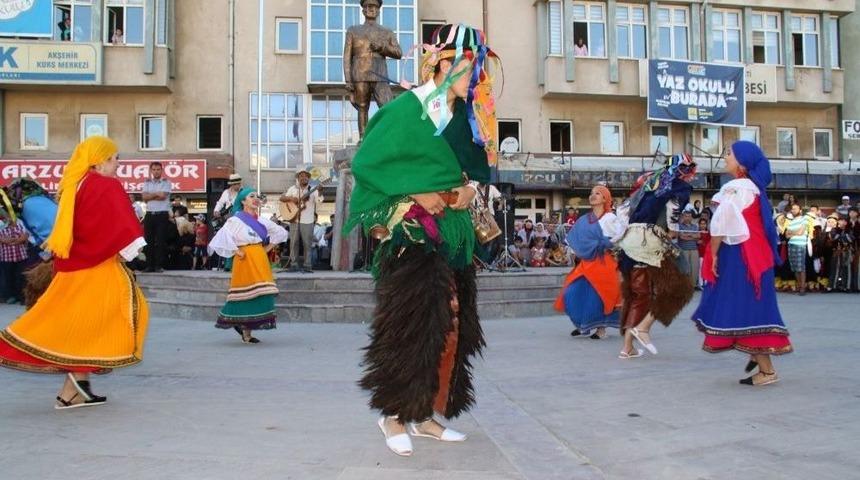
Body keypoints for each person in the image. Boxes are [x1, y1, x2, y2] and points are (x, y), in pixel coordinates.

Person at [344, 23, 499, 456]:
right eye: (469, 67)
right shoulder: (403, 110)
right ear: (441, 64)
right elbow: (369, 164)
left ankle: (425, 413)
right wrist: (416, 191)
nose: (476, 77)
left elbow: (474, 175)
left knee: (450, 324)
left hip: (453, 233)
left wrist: (469, 190)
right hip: (411, 232)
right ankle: (393, 414)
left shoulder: (466, 120)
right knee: (410, 324)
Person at [0, 136, 149, 409]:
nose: (117, 165)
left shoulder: (75, 184)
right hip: (97, 267)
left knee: (82, 323)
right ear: (100, 161)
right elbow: (122, 223)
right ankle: (74, 389)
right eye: (115, 159)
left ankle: (75, 391)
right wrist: (134, 249)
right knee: (116, 315)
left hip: (74, 266)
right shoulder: (106, 185)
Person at [693, 141, 792, 386]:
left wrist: (713, 253)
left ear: (743, 163)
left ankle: (767, 370)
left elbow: (721, 224)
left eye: (729, 154)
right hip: (756, 257)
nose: (725, 157)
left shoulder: (736, 187)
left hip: (741, 257)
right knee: (749, 306)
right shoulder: (754, 188)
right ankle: (758, 359)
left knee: (743, 309)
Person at [615, 153, 697, 359]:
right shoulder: (679, 185)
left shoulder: (650, 182)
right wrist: (672, 230)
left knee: (638, 294)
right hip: (650, 240)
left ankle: (628, 347)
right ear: (683, 169)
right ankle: (643, 328)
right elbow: (673, 206)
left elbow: (622, 210)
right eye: (691, 169)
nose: (692, 175)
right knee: (682, 287)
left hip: (631, 241)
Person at [208, 188, 287, 344]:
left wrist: (268, 247)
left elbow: (281, 233)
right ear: (243, 201)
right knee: (245, 294)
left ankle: (247, 331)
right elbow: (220, 238)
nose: (255, 199)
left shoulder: (262, 221)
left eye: (257, 196)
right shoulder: (235, 220)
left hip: (260, 258)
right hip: (244, 260)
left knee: (261, 293)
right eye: (251, 196)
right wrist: (236, 250)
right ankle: (245, 331)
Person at [555, 185, 623, 340]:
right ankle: (582, 324)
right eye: (591, 193)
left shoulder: (611, 218)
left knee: (599, 296)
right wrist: (569, 253)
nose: (593, 195)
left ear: (605, 198)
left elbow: (621, 237)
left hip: (604, 261)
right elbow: (574, 239)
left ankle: (600, 330)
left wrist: (608, 244)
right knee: (571, 291)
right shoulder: (584, 219)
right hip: (586, 262)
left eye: (597, 193)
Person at [281, 170, 323, 272]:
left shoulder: (313, 189)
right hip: (294, 219)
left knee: (307, 243)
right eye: (301, 176)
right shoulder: (293, 188)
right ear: (298, 178)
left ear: (309, 178)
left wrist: (320, 191)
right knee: (293, 242)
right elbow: (282, 198)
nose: (303, 178)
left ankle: (307, 265)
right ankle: (294, 264)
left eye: (306, 176)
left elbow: (319, 201)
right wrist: (292, 198)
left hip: (308, 220)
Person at [141, 162, 172, 272]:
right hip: (150, 214)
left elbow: (163, 196)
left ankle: (159, 265)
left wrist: (151, 196)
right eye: (154, 169)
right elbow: (144, 197)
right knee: (148, 241)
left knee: (160, 241)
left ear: (161, 170)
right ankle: (149, 265)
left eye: (158, 169)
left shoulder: (166, 182)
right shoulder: (147, 182)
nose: (156, 171)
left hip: (162, 214)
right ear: (151, 170)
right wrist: (156, 194)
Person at [0, 218, 30, 304]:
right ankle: (10, 296)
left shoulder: (20, 222)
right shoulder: (1, 224)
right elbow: (2, 239)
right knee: (8, 277)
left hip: (21, 256)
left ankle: (21, 297)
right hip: (6, 257)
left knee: (21, 277)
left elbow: (26, 235)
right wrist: (6, 240)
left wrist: (17, 240)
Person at [782, 203, 809, 295]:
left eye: (795, 209)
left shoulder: (804, 219)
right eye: (792, 209)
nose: (793, 210)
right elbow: (786, 235)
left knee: (801, 267)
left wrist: (792, 233)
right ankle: (799, 285)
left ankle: (803, 288)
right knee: (794, 267)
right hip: (791, 245)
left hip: (800, 245)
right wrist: (795, 232)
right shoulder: (791, 221)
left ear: (800, 210)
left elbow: (801, 232)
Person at [676, 210, 701, 289]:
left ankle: (693, 285)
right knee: (685, 268)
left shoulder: (695, 226)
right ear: (683, 216)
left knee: (694, 268)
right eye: (686, 216)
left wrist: (688, 235)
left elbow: (698, 236)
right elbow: (682, 237)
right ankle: (685, 286)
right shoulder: (679, 226)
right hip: (684, 249)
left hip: (694, 249)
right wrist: (692, 235)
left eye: (689, 216)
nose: (688, 218)